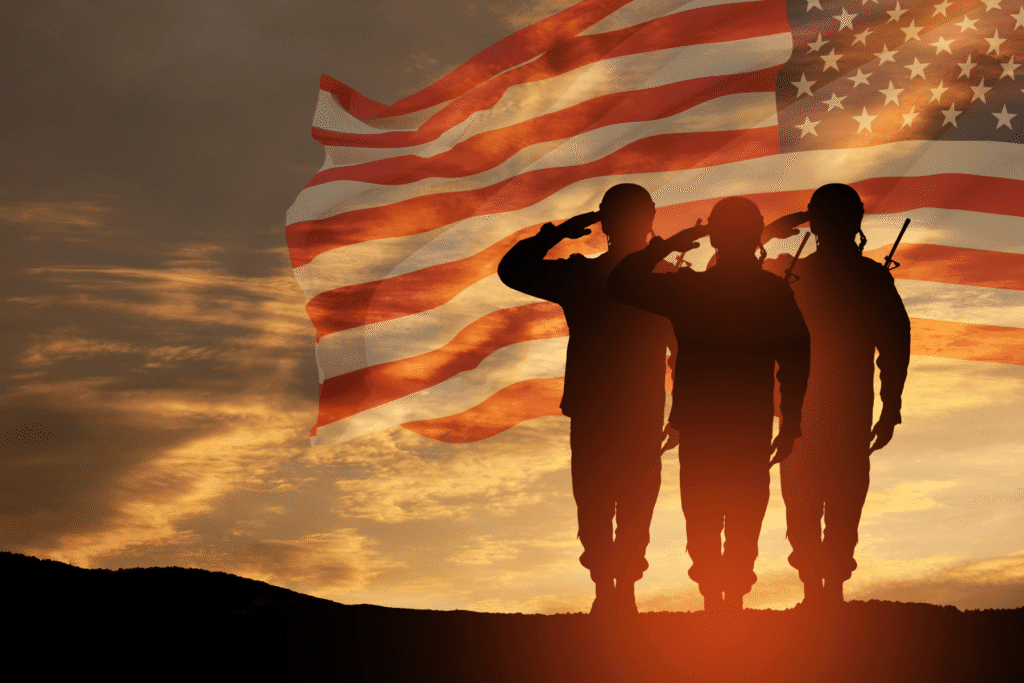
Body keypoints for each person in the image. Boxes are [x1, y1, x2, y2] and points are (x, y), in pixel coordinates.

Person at [607, 196, 810, 615]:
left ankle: (718, 598)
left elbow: (622, 282)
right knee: (743, 510)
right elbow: (797, 356)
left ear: (714, 236)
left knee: (702, 510)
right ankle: (730, 597)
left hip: (702, 421)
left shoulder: (690, 289)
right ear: (754, 237)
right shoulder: (770, 291)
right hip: (747, 422)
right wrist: (790, 421)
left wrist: (674, 242)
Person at [497, 184, 675, 620]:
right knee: (612, 499)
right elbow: (512, 271)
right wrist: (560, 231)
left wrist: (563, 232)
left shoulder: (602, 277)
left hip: (621, 405)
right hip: (617, 405)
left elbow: (681, 344)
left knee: (613, 499)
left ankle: (617, 590)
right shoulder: (640, 278)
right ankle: (612, 589)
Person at [776, 184, 911, 611]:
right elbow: (895, 346)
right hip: (825, 410)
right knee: (832, 504)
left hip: (817, 411)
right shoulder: (857, 277)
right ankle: (824, 591)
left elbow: (894, 346)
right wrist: (890, 407)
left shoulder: (797, 278)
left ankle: (822, 592)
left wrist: (891, 406)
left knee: (820, 503)